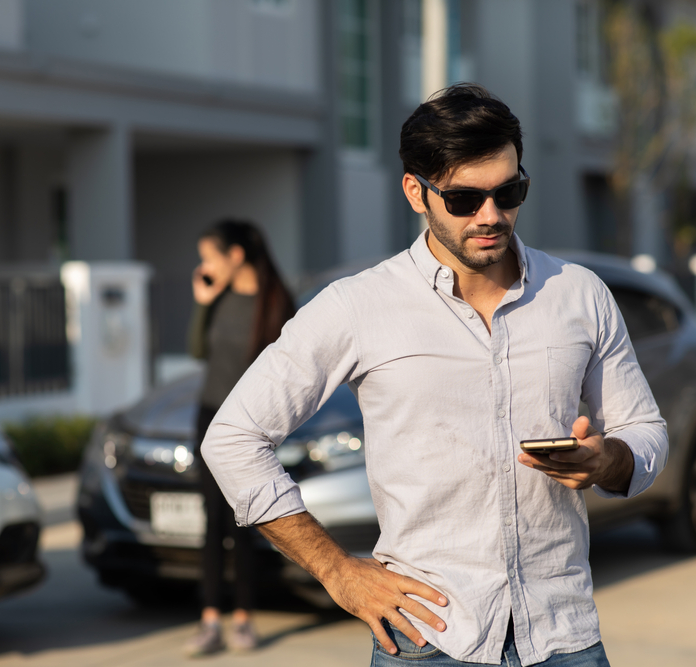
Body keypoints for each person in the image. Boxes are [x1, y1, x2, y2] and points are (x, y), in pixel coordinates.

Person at [201, 84, 668, 666]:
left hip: (564, 636)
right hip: (428, 642)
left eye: (509, 191)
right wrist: (337, 570)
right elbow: (233, 437)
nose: (492, 216)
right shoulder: (356, 306)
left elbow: (646, 428)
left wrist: (609, 460)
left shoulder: (579, 295)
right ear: (415, 192)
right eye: (465, 199)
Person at [182, 219, 296, 657]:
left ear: (235, 256)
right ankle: (210, 619)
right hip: (208, 417)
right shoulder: (219, 297)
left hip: (251, 426)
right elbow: (197, 351)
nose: (204, 266)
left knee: (243, 521)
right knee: (211, 521)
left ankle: (243, 618)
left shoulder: (276, 303)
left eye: (210, 256)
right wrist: (203, 302)